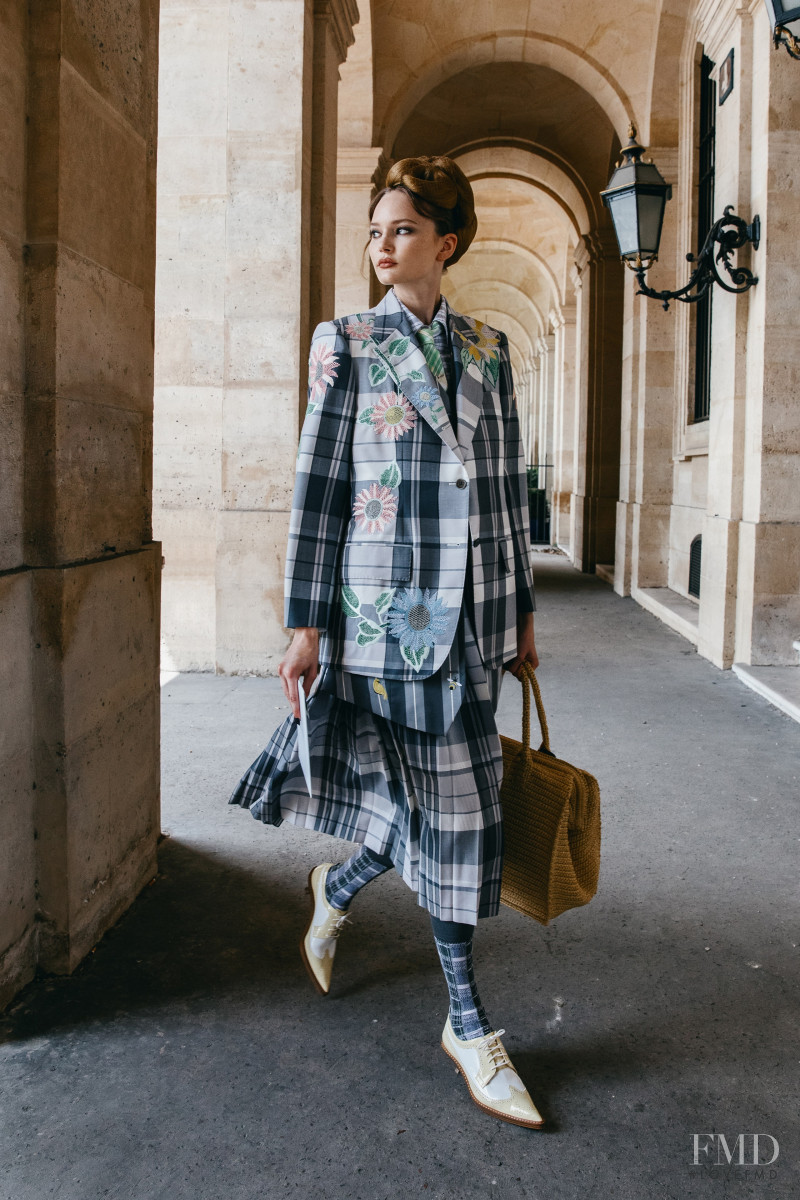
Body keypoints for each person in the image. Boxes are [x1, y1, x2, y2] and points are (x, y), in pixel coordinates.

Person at [229, 156, 543, 1128]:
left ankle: (341, 882)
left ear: (445, 241)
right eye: (375, 230)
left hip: (471, 620)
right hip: (381, 617)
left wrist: (522, 614)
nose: (381, 245)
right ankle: (467, 1022)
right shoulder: (349, 342)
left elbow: (502, 493)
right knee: (452, 822)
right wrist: (301, 623)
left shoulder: (489, 349)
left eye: (402, 228)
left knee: (448, 814)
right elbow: (318, 484)